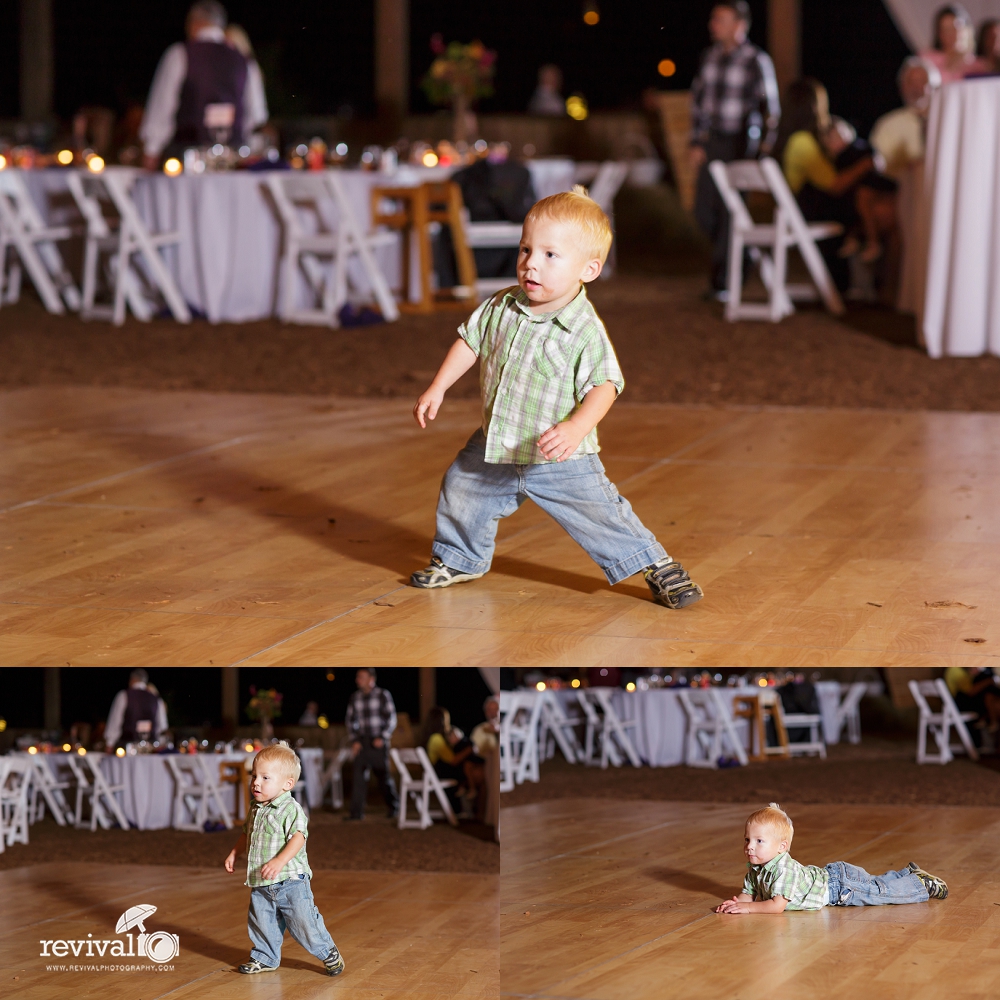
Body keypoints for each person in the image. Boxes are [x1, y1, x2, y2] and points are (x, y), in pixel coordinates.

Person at [409, 187, 704, 611]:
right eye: (526, 249)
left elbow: (605, 385)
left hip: (560, 455)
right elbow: (469, 342)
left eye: (550, 255)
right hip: (499, 443)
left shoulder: (584, 328)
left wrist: (577, 427)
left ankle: (657, 565)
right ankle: (460, 558)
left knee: (600, 513)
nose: (531, 263)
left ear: (589, 269)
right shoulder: (502, 305)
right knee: (462, 487)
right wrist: (438, 386)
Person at [224, 742, 344, 976]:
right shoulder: (255, 808)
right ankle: (265, 957)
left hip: (291, 881)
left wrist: (279, 861)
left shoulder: (291, 809)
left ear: (287, 784)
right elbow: (246, 833)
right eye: (254, 776)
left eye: (265, 778)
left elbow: (298, 838)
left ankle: (326, 951)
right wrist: (235, 852)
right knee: (261, 921)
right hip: (261, 880)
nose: (256, 782)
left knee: (303, 923)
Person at [689, 1, 780, 298]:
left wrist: (762, 150)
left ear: (740, 25)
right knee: (703, 210)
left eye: (721, 19)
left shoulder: (756, 60)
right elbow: (698, 104)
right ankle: (745, 255)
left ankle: (724, 281)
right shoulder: (709, 57)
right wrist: (696, 142)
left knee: (731, 212)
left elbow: (770, 109)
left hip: (742, 142)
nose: (713, 24)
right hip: (713, 141)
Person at [714, 803, 948, 914]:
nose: (750, 847)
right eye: (747, 840)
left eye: (759, 841)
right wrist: (736, 903)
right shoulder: (755, 868)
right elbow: (749, 893)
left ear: (782, 847)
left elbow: (776, 906)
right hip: (834, 877)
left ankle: (920, 884)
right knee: (876, 884)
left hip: (839, 886)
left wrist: (748, 908)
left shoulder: (783, 869)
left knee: (881, 893)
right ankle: (906, 874)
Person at [778, 79, 891, 286]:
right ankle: (876, 274)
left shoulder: (790, 139)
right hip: (810, 211)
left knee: (869, 200)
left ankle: (862, 257)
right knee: (878, 208)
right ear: (814, 107)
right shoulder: (802, 142)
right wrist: (866, 164)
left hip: (806, 209)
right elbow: (835, 185)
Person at [139, 1, 268, 168]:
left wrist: (151, 150)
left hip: (186, 160)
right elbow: (257, 117)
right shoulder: (245, 61)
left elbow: (162, 107)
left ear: (193, 23)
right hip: (233, 161)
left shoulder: (179, 54)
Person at [870, 57, 941, 180]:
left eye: (922, 82)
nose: (916, 88)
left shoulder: (945, 122)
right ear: (901, 86)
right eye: (910, 82)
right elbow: (875, 167)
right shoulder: (888, 124)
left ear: (935, 87)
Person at [344, 668, 398, 821]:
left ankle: (394, 807)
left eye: (361, 676)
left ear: (371, 678)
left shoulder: (383, 695)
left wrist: (383, 737)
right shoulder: (355, 697)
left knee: (383, 777)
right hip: (362, 742)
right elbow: (350, 720)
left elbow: (391, 718)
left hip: (378, 742)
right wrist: (354, 740)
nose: (357, 680)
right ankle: (356, 813)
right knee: (358, 777)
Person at [424, 706, 484, 816]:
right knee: (474, 771)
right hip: (442, 773)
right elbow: (453, 761)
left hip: (441, 772)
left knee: (470, 767)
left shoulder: (433, 737)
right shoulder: (436, 738)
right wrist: (469, 749)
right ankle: (476, 810)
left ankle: (470, 804)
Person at [920, 4, 990, 84]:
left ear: (967, 30)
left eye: (956, 28)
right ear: (939, 34)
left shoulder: (978, 66)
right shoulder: (927, 60)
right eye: (946, 29)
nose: (951, 34)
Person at [104, 668, 168, 748]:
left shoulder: (123, 695)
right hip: (151, 749)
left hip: (126, 748)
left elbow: (115, 722)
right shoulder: (157, 699)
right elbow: (162, 727)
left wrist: (110, 743)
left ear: (132, 680)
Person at [944, 668, 1000, 732]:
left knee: (990, 696)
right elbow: (970, 691)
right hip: (961, 704)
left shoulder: (959, 669)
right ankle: (990, 720)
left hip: (962, 703)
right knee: (989, 695)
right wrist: (990, 680)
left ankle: (989, 720)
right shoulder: (955, 669)